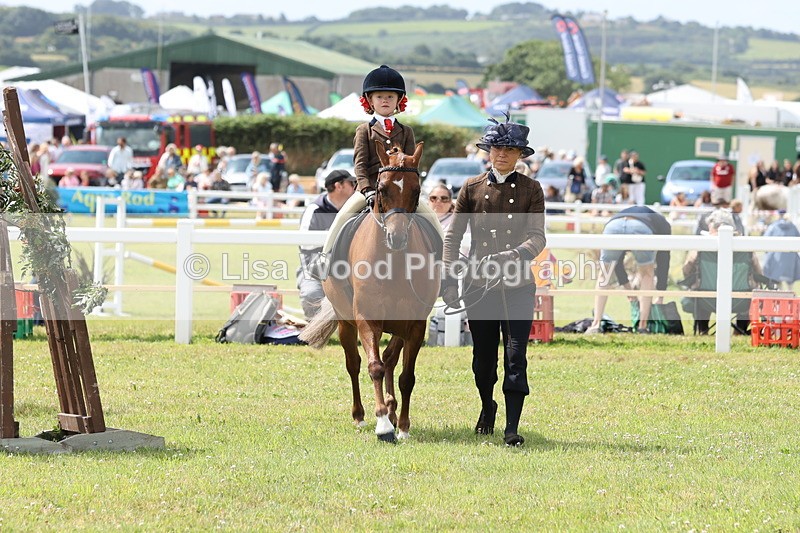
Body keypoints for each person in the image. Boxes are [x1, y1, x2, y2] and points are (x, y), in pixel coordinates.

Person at [441, 117, 546, 447]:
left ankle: (512, 427)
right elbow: (453, 236)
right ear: (488, 151)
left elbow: (537, 237)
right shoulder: (471, 187)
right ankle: (488, 406)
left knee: (516, 356)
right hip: (478, 284)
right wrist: (448, 278)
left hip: (517, 286)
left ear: (520, 155)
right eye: (497, 148)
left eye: (509, 149)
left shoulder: (531, 189)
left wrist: (513, 255)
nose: (501, 154)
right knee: (483, 360)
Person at [308, 64, 441, 280]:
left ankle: (445, 263)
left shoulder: (406, 131)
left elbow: (411, 164)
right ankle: (325, 257)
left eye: (390, 96)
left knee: (431, 217)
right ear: (370, 100)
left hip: (400, 193)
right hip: (370, 189)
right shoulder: (364, 130)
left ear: (399, 100)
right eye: (379, 96)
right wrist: (367, 190)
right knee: (343, 216)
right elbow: (359, 165)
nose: (385, 100)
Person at [585, 206, 672, 335]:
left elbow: (617, 263)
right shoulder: (663, 224)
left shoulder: (629, 213)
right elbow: (663, 260)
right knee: (647, 274)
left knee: (604, 274)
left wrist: (628, 290)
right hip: (640, 227)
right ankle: (642, 326)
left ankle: (595, 324)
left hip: (613, 225)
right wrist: (660, 295)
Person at [682, 209, 763, 335]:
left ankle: (703, 330)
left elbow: (686, 270)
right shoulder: (746, 247)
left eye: (709, 227)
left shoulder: (701, 246)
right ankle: (739, 331)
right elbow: (759, 273)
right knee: (750, 291)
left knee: (698, 290)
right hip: (741, 301)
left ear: (717, 226)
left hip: (706, 300)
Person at [297, 169, 357, 319]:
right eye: (352, 183)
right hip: (314, 269)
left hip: (348, 269)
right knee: (311, 294)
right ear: (339, 186)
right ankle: (315, 326)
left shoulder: (357, 210)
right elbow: (305, 245)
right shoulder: (314, 210)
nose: (355, 187)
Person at [761, 213, 800, 290]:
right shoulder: (793, 227)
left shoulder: (773, 227)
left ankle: (780, 294)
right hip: (790, 259)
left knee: (778, 284)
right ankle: (790, 294)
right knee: (790, 286)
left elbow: (765, 240)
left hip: (776, 258)